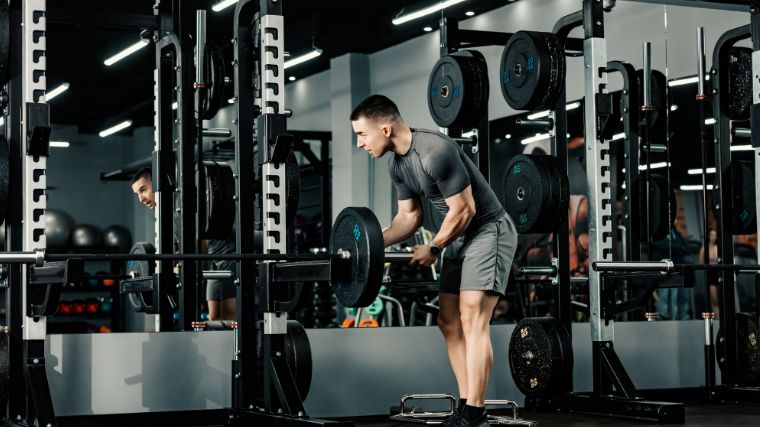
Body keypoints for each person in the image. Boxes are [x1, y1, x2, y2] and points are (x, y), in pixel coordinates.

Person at [350, 95, 517, 427]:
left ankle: (474, 413)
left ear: (385, 128)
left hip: (488, 230)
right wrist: (370, 244)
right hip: (457, 235)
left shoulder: (434, 151)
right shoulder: (397, 164)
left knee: (472, 317)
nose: (359, 144)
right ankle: (467, 406)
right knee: (448, 322)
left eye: (362, 135)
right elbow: (408, 218)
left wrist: (435, 248)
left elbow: (466, 210)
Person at [130, 167, 237, 321]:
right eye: (137, 194)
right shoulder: (164, 212)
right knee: (214, 318)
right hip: (213, 261)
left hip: (229, 256)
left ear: (158, 184)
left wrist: (179, 266)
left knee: (228, 316)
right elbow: (177, 247)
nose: (141, 198)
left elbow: (200, 243)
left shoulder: (180, 203)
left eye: (143, 190)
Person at [699, 228, 719, 318]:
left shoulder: (718, 247)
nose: (713, 237)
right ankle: (716, 319)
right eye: (712, 235)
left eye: (715, 235)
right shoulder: (704, 248)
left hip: (718, 274)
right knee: (714, 299)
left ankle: (718, 318)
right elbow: (701, 263)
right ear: (709, 236)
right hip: (710, 275)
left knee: (719, 299)